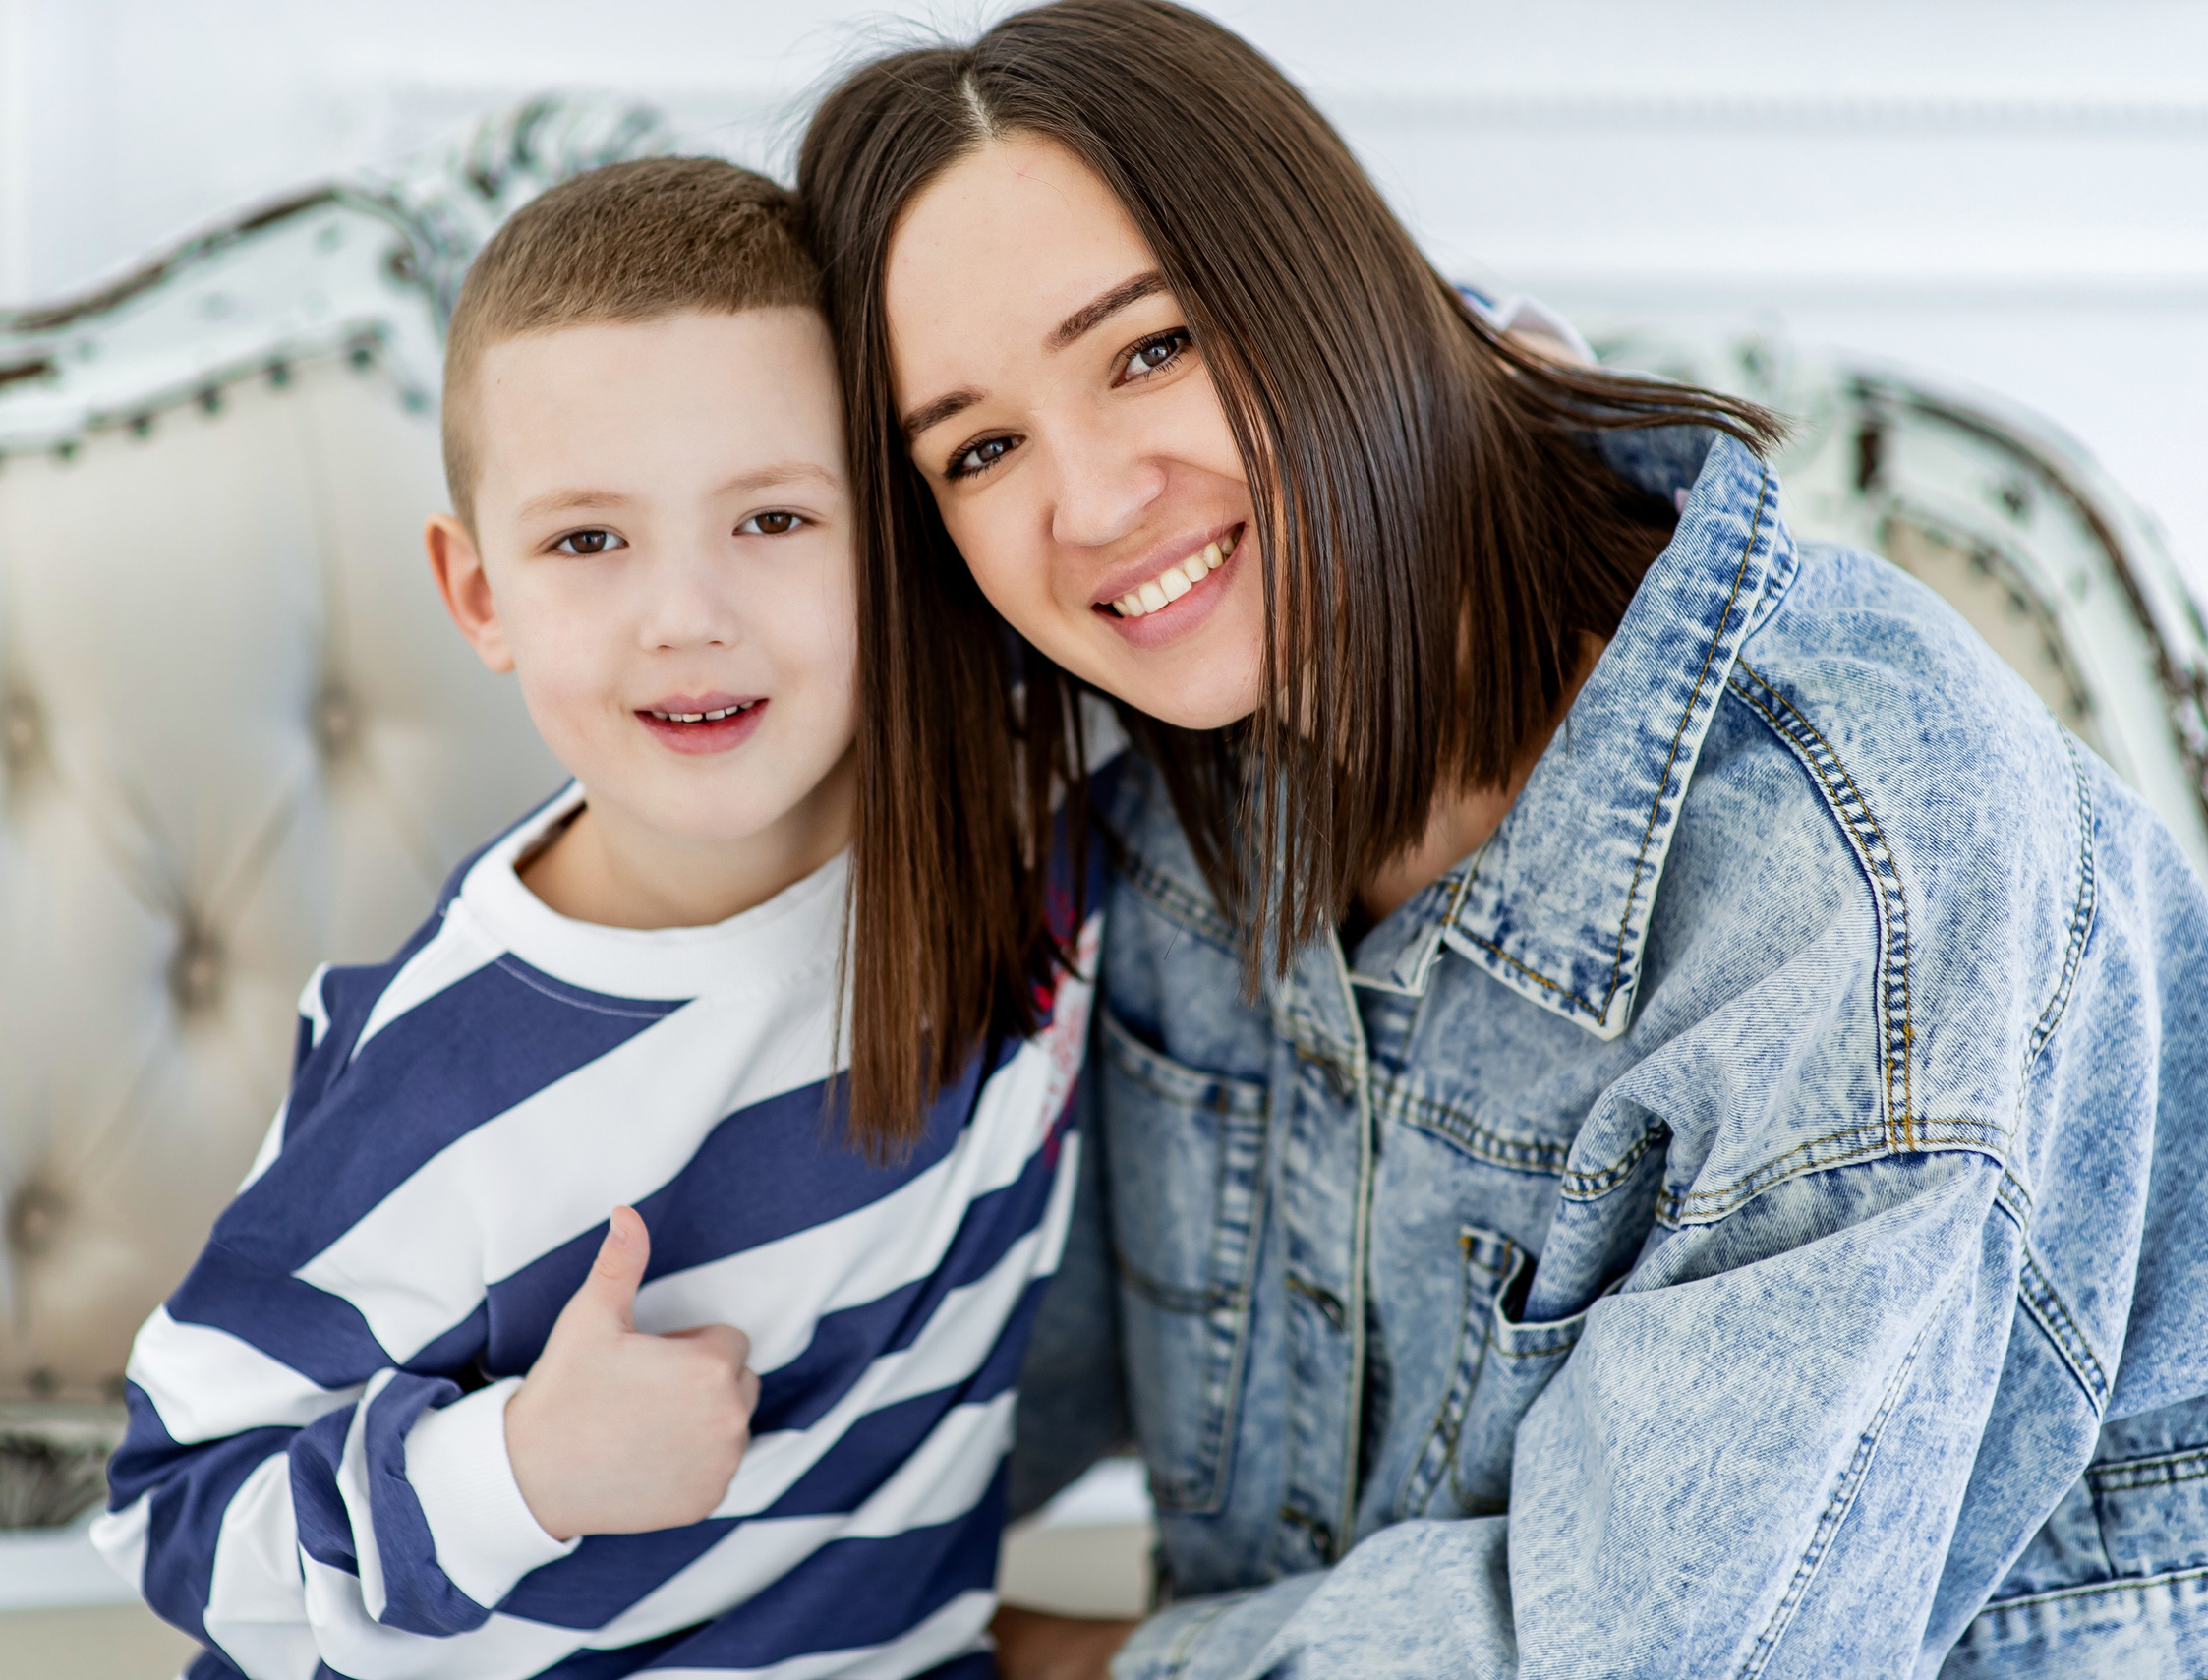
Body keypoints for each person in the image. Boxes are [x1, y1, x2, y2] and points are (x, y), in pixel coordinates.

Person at [796, 3, 2208, 1675]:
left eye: (1151, 346)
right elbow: (953, 1388)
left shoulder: (1854, 852)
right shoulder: (1176, 779)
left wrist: (1071, 1662)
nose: (1092, 502)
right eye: (979, 447)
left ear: (1322, 284)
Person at [92, 157, 1101, 1680]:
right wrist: (518, 1470)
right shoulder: (445, 1084)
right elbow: (172, 1513)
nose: (685, 612)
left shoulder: (1024, 795)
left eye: (771, 518)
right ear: (478, 591)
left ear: (893, 543)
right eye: (587, 541)